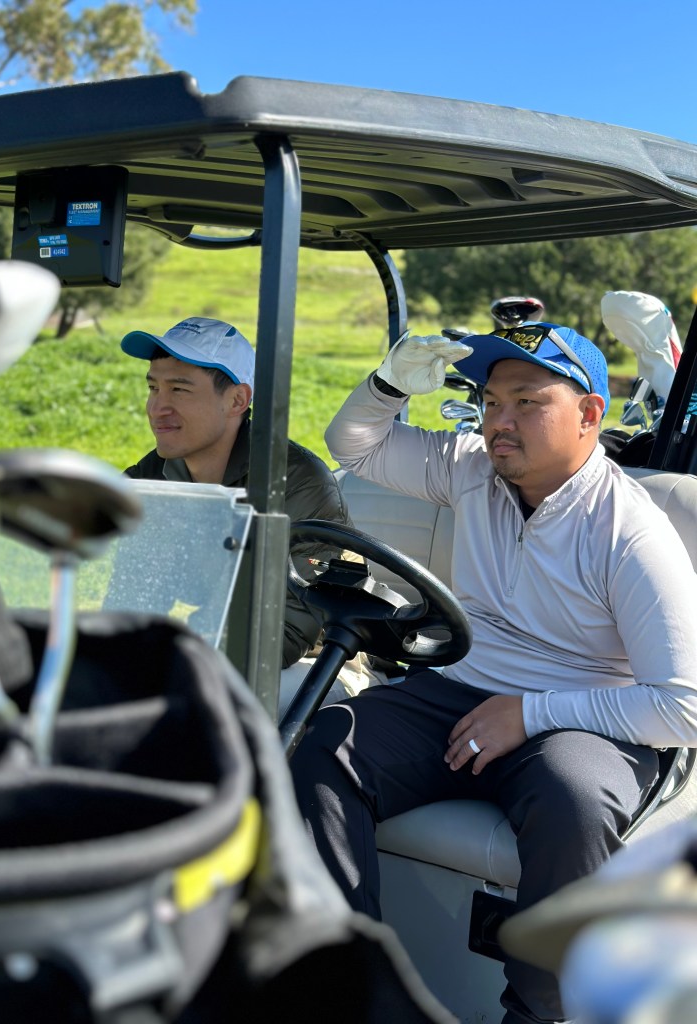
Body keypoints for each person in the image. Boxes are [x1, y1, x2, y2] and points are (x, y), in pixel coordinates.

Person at [290, 322, 697, 1024]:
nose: (499, 422)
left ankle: (540, 1013)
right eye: (490, 402)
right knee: (323, 745)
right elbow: (354, 444)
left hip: (588, 713)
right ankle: (348, 987)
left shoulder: (630, 531)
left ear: (590, 414)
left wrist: (530, 713)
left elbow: (684, 707)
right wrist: (387, 385)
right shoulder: (471, 467)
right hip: (460, 687)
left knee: (574, 800)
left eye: (527, 403)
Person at [118, 315, 382, 709]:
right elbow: (130, 596)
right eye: (153, 388)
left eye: (179, 390)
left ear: (237, 400)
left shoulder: (294, 482)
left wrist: (179, 667)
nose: (157, 408)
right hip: (212, 650)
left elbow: (289, 634)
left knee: (192, 710)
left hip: (322, 664)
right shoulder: (154, 474)